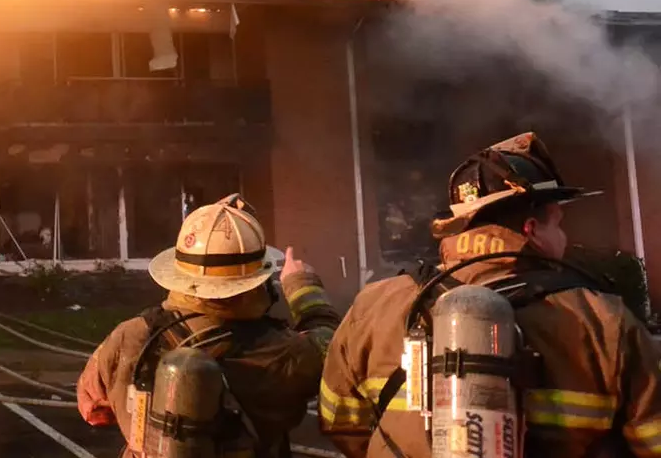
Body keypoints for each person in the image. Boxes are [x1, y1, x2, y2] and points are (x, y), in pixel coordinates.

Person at [319, 132, 661, 457]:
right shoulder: (603, 321)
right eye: (558, 224)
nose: (564, 238)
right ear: (532, 229)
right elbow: (653, 440)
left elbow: (340, 421)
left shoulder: (374, 307)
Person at [77, 193, 341, 457]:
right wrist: (302, 286)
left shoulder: (129, 336)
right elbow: (334, 350)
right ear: (257, 281)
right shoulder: (282, 352)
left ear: (179, 272)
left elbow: (93, 411)